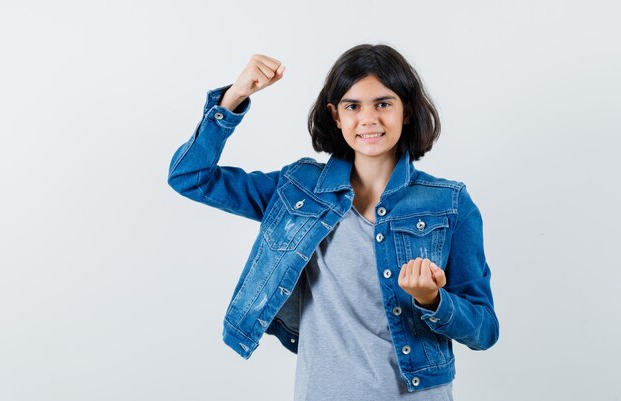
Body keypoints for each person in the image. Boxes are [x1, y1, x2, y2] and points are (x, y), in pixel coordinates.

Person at [167, 44, 499, 400]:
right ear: (336, 115)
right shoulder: (296, 190)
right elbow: (191, 176)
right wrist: (235, 96)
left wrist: (432, 299)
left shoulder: (449, 204)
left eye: (383, 104)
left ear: (407, 111)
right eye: (353, 106)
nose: (369, 119)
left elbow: (484, 330)